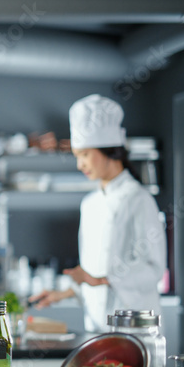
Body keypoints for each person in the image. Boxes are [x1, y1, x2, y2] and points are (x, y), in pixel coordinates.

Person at [30, 95, 166, 331]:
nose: (79, 165)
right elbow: (92, 271)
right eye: (76, 156)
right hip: (96, 327)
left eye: (84, 154)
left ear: (109, 150)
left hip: (133, 327)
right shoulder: (89, 204)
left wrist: (102, 280)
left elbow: (152, 268)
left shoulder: (139, 199)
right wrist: (65, 293)